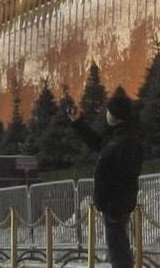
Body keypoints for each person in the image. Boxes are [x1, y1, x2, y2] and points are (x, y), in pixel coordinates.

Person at [69, 93, 144, 268]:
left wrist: (111, 200)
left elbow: (125, 175)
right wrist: (77, 122)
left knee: (119, 253)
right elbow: (97, 143)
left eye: (109, 111)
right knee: (117, 250)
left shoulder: (126, 142)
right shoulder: (116, 138)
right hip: (112, 205)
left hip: (116, 205)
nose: (107, 114)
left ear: (117, 116)